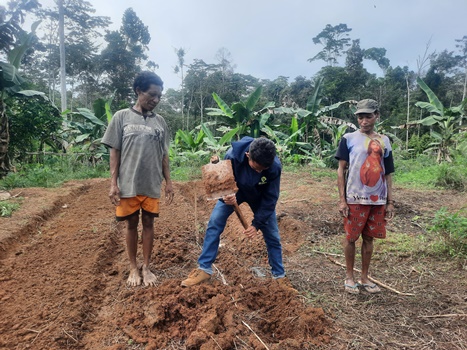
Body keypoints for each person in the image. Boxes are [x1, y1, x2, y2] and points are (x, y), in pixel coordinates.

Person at [181, 136, 289, 287]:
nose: (259, 171)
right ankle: (204, 268)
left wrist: (256, 224)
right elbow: (221, 183)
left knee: (272, 234)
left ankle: (279, 276)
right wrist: (226, 195)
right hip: (235, 192)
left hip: (260, 195)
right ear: (247, 156)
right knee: (214, 222)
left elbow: (270, 198)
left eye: (263, 170)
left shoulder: (274, 166)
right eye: (256, 168)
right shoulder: (232, 156)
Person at [101, 71, 174, 287]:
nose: (156, 100)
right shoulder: (121, 117)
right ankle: (133, 268)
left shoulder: (160, 122)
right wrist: (113, 183)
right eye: (152, 95)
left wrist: (168, 182)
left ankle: (146, 266)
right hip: (128, 184)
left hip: (151, 183)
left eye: (159, 96)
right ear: (138, 91)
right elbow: (114, 152)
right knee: (131, 224)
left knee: (149, 223)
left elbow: (164, 155)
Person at [335, 99, 395, 294]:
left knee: (369, 239)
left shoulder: (384, 141)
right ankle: (349, 277)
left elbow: (388, 173)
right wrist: (342, 199)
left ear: (376, 115)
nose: (364, 120)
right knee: (351, 238)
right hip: (354, 198)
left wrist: (390, 202)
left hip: (377, 199)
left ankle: (364, 277)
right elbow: (341, 170)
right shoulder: (348, 139)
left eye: (368, 116)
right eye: (360, 116)